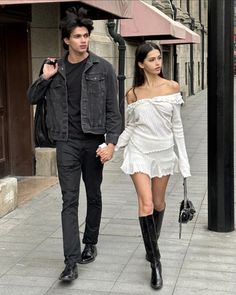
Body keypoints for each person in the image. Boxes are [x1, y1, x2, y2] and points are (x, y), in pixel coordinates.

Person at [27, 7, 121, 282]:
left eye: (86, 35)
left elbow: (113, 112)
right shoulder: (54, 68)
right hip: (65, 142)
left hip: (93, 143)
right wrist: (44, 77)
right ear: (67, 40)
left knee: (93, 195)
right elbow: (32, 97)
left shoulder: (102, 68)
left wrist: (112, 145)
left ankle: (90, 242)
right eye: (77, 36)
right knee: (70, 201)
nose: (83, 40)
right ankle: (70, 262)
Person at [115, 42, 191, 290]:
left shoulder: (172, 87)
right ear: (140, 64)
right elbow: (130, 127)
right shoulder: (132, 94)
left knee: (158, 204)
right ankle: (155, 262)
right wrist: (114, 147)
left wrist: (185, 166)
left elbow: (177, 128)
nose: (158, 63)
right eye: (152, 59)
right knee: (146, 203)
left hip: (164, 152)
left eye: (159, 58)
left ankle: (151, 244)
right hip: (138, 151)